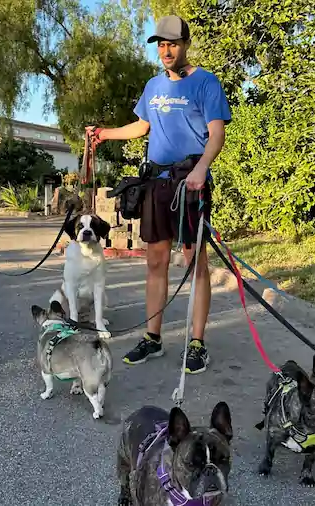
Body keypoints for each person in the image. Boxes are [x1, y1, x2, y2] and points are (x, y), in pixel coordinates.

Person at [86, 15, 231, 374]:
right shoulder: (153, 86)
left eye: (173, 44)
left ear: (185, 44)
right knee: (155, 261)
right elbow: (142, 126)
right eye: (161, 45)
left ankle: (197, 343)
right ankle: (153, 338)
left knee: (195, 263)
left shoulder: (206, 83)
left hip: (191, 184)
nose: (166, 51)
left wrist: (201, 169)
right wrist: (104, 134)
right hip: (157, 185)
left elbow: (216, 135)